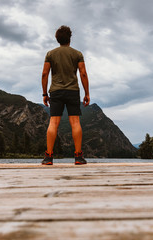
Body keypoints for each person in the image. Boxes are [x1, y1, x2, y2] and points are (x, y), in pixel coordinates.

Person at [41, 25, 90, 165]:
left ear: (57, 39)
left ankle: (48, 157)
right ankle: (78, 157)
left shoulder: (50, 54)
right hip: (73, 91)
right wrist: (87, 93)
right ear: (70, 38)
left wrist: (45, 93)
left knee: (53, 122)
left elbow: (45, 74)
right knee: (75, 122)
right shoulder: (77, 54)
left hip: (55, 91)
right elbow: (83, 73)